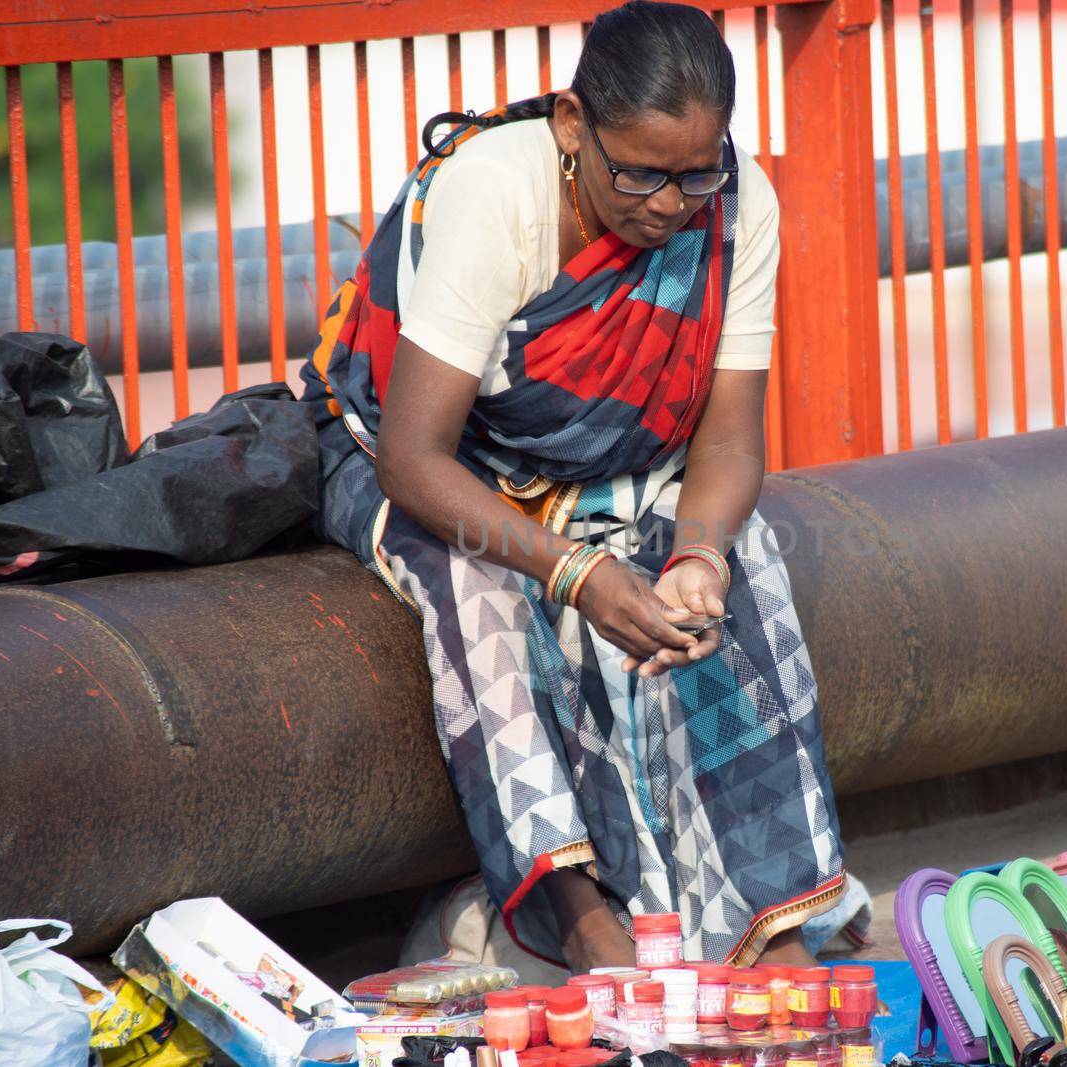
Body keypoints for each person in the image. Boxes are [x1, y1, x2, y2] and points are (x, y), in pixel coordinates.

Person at [300, 0, 865, 972]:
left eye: (697, 173)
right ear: (572, 127)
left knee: (741, 564)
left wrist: (698, 555)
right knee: (478, 587)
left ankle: (763, 915)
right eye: (639, 172)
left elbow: (727, 435)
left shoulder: (740, 204)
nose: (669, 203)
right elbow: (413, 455)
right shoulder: (495, 192)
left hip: (606, 466)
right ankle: (581, 915)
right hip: (441, 467)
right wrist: (573, 573)